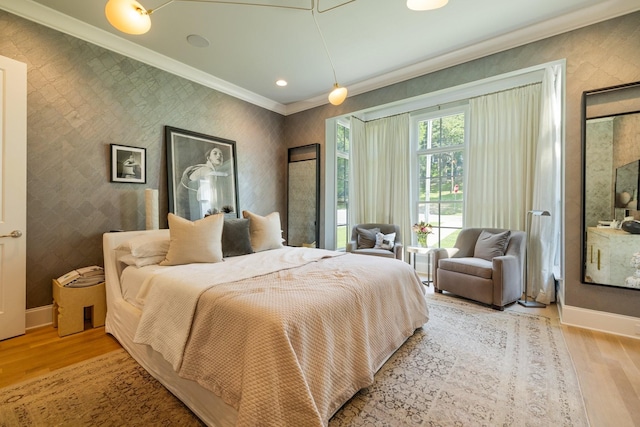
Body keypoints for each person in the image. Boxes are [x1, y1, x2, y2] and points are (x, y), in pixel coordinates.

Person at [178, 147, 232, 220]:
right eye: (215, 153)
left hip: (186, 201)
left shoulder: (204, 168)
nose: (219, 156)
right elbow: (212, 195)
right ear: (209, 158)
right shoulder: (208, 171)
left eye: (221, 155)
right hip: (185, 202)